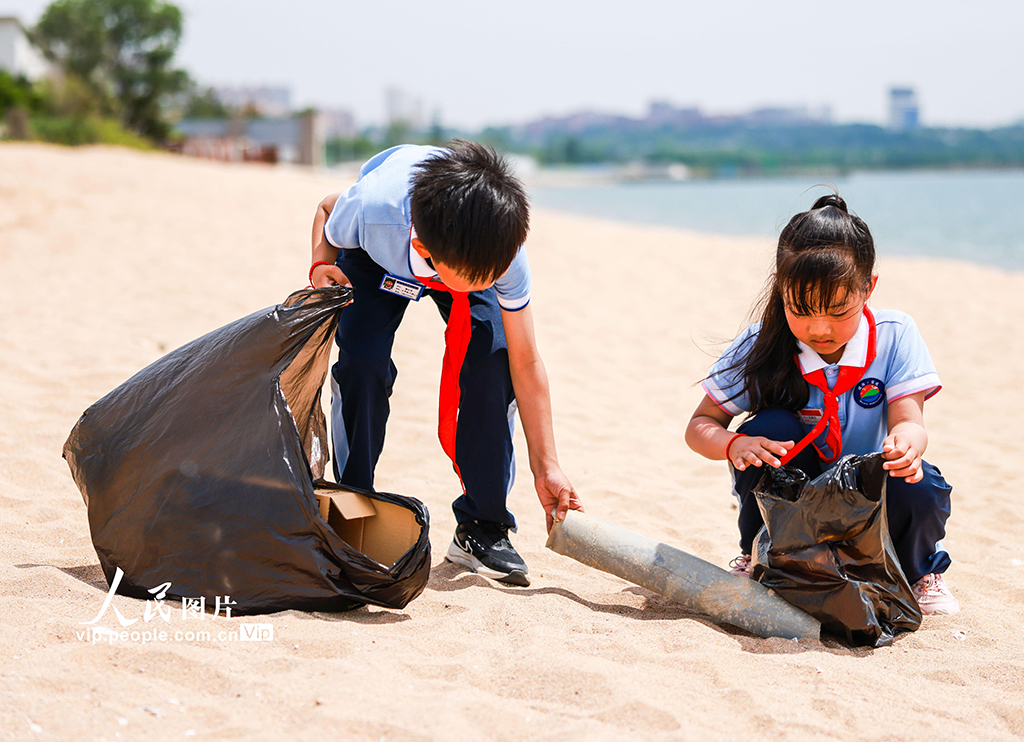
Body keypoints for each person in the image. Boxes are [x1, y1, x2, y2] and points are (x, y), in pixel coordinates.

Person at [308, 140, 582, 587]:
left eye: (492, 277)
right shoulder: (374, 212)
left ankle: (482, 527)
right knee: (363, 361)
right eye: (480, 279)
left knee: (495, 360)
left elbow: (527, 361)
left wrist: (547, 465)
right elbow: (325, 207)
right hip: (378, 258)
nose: (490, 282)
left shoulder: (503, 256)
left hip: (458, 251)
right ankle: (353, 504)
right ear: (424, 249)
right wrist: (320, 265)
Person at [684, 194, 959, 615]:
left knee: (918, 481)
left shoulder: (895, 334)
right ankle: (759, 552)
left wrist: (906, 443)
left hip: (868, 497)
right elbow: (700, 425)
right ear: (780, 286)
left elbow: (910, 422)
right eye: (801, 309)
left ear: (868, 288)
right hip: (796, 502)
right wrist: (733, 444)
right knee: (769, 429)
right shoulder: (761, 344)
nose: (819, 328)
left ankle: (917, 571)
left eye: (837, 311)